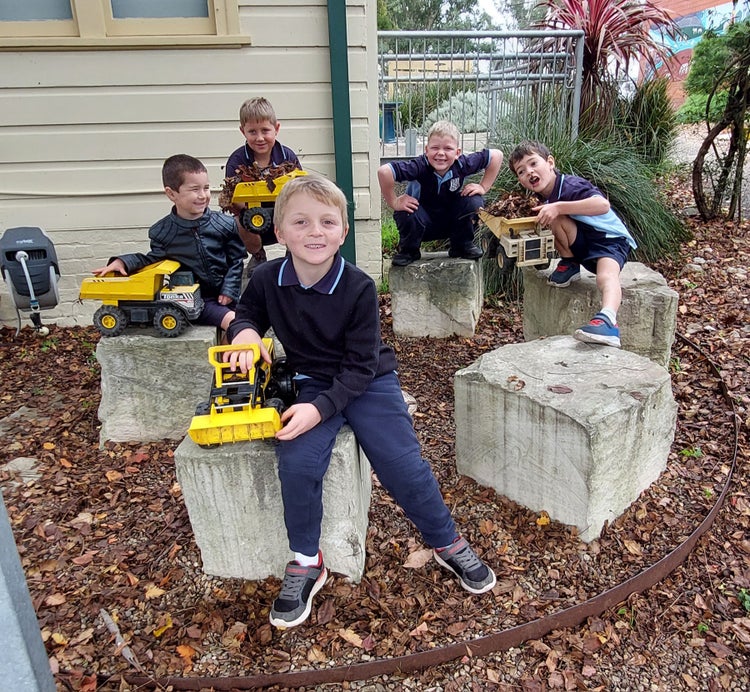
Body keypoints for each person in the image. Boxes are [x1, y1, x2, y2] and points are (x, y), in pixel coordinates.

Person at [224, 175, 496, 629]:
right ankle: (307, 561)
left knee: (401, 462)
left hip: (368, 379)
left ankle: (446, 541)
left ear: (343, 232)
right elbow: (249, 312)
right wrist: (246, 332)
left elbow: (359, 366)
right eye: (301, 221)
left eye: (328, 221)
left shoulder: (358, 286)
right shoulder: (268, 278)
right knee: (297, 463)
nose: (315, 231)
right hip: (310, 380)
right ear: (279, 232)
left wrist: (321, 408)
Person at [93, 154, 246, 333]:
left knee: (253, 318)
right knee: (234, 322)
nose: (203, 195)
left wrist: (229, 290)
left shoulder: (224, 225)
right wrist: (122, 262)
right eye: (194, 189)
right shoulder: (163, 232)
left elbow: (237, 260)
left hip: (231, 292)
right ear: (171, 193)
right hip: (197, 300)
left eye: (206, 188)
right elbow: (152, 260)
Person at [508, 140, 637, 349]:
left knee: (606, 276)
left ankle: (608, 320)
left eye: (533, 164)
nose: (529, 172)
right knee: (551, 216)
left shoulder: (570, 185)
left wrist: (559, 206)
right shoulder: (539, 197)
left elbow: (602, 205)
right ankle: (569, 263)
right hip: (583, 242)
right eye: (521, 171)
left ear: (550, 162)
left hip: (609, 241)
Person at [377, 120, 503, 266]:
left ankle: (462, 245)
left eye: (448, 148)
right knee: (405, 211)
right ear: (426, 150)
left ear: (457, 153)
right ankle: (409, 250)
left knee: (474, 201)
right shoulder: (419, 166)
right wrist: (394, 202)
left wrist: (483, 187)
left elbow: (496, 155)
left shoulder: (462, 164)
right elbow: (384, 171)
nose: (441, 153)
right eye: (435, 148)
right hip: (422, 224)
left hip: (452, 222)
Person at [225, 97, 302, 257]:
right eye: (252, 132)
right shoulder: (237, 161)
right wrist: (246, 211)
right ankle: (258, 255)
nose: (259, 138)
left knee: (301, 214)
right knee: (238, 223)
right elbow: (233, 197)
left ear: (276, 128)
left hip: (283, 212)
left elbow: (301, 188)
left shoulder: (287, 156)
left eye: (265, 130)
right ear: (243, 131)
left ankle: (294, 255)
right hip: (252, 214)